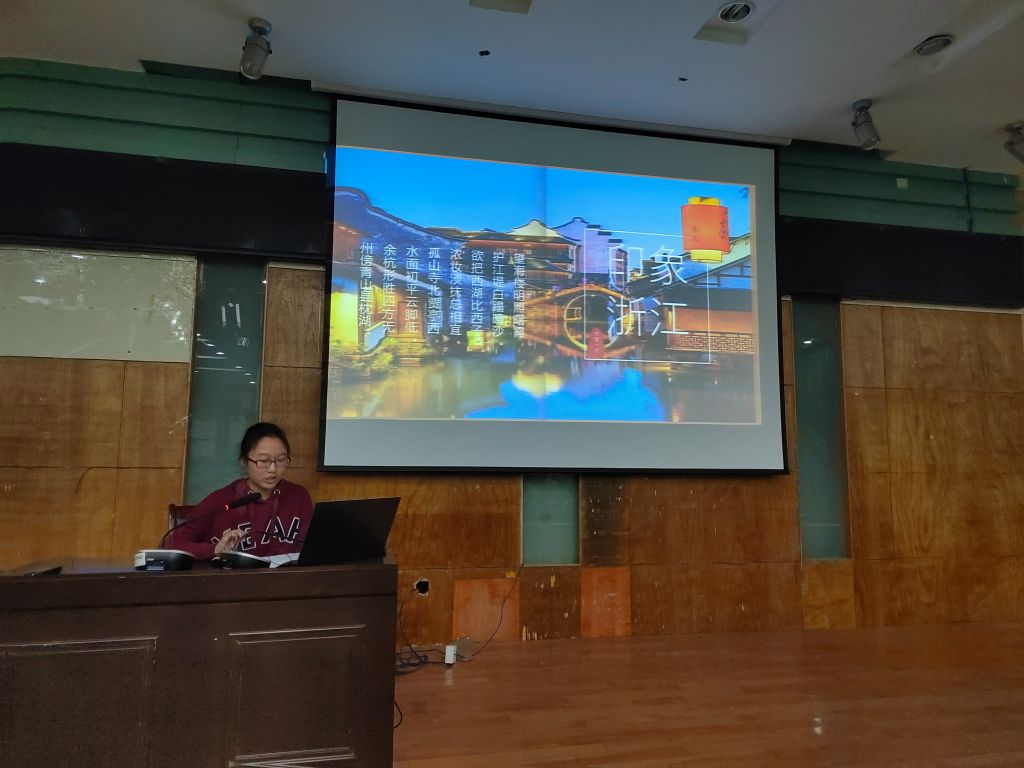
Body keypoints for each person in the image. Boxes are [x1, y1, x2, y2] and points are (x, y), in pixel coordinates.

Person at [168, 422, 313, 560]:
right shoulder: (222, 501)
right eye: (263, 461)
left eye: (281, 460)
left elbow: (313, 547)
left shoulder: (298, 496)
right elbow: (173, 544)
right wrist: (214, 549)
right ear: (244, 461)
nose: (273, 469)